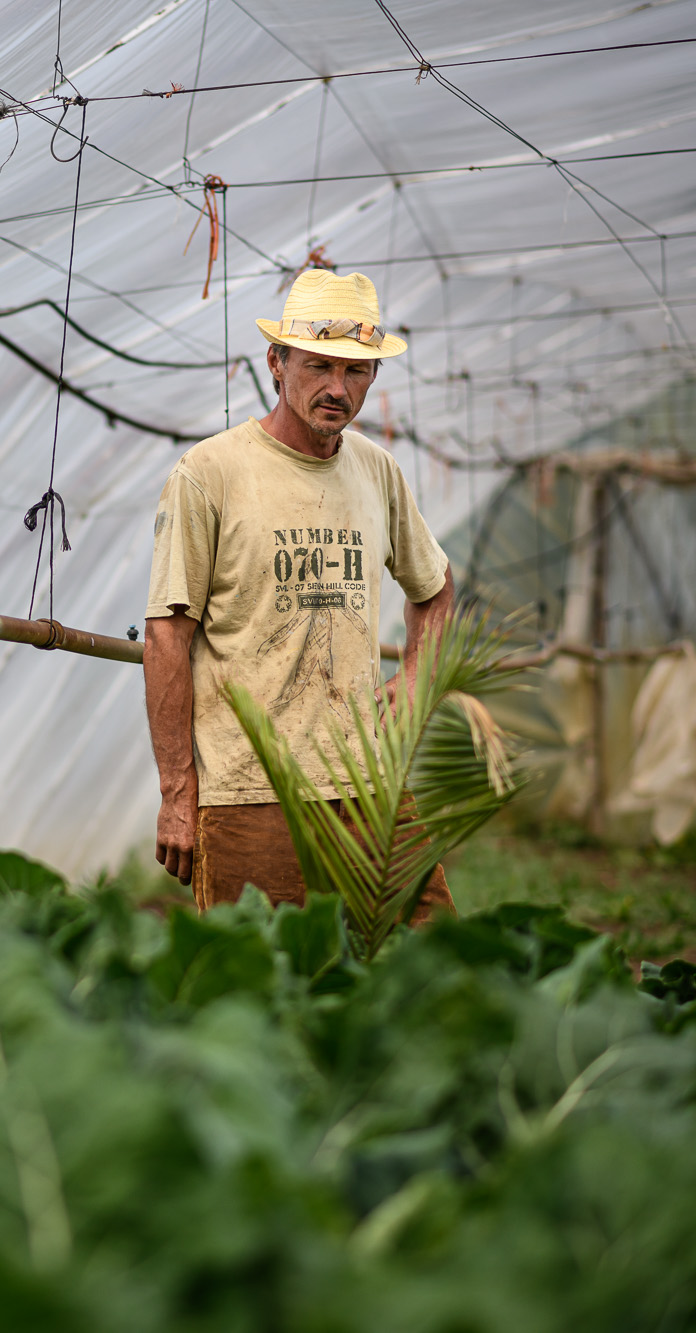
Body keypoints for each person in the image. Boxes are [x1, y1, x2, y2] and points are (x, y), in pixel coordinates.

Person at [143, 268, 456, 913]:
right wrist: (178, 792)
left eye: (357, 372)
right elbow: (166, 635)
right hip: (248, 788)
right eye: (318, 366)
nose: (337, 389)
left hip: (367, 782)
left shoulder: (376, 470)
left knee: (435, 963)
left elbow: (435, 586)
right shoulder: (210, 473)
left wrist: (420, 674)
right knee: (264, 982)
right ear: (277, 364)